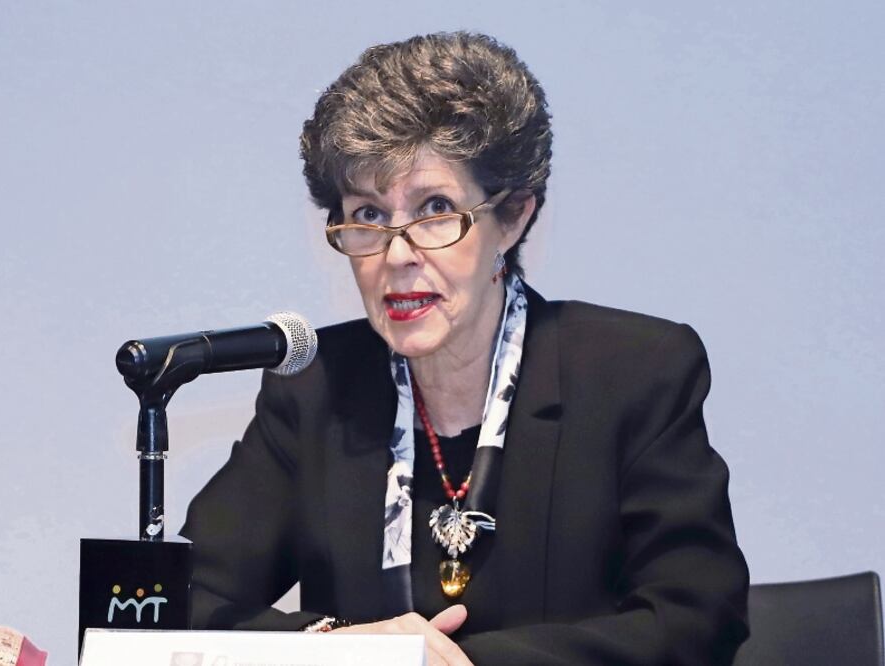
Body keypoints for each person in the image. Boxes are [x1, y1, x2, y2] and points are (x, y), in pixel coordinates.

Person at [179, 32, 749, 665]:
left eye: (435, 209)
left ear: (512, 218)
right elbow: (181, 601)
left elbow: (697, 618)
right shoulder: (317, 387)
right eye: (367, 215)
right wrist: (333, 646)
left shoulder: (632, 370)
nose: (396, 255)